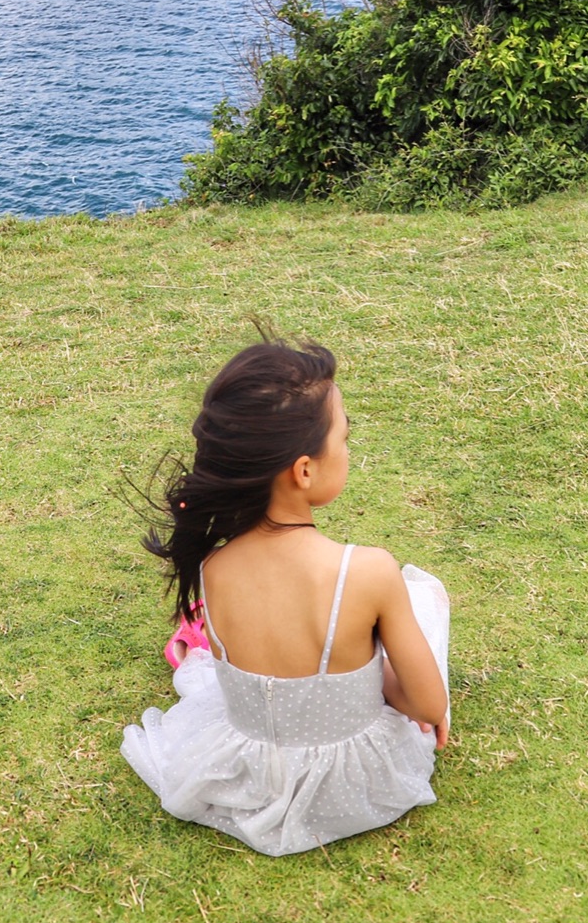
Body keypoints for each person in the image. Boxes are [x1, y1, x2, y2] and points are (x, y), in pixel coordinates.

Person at [120, 337, 450, 857]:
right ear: (304, 470)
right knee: (422, 602)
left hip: (242, 773)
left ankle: (195, 645)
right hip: (354, 783)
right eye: (344, 438)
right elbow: (429, 705)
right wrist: (377, 681)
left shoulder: (213, 567)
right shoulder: (367, 571)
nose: (347, 449)